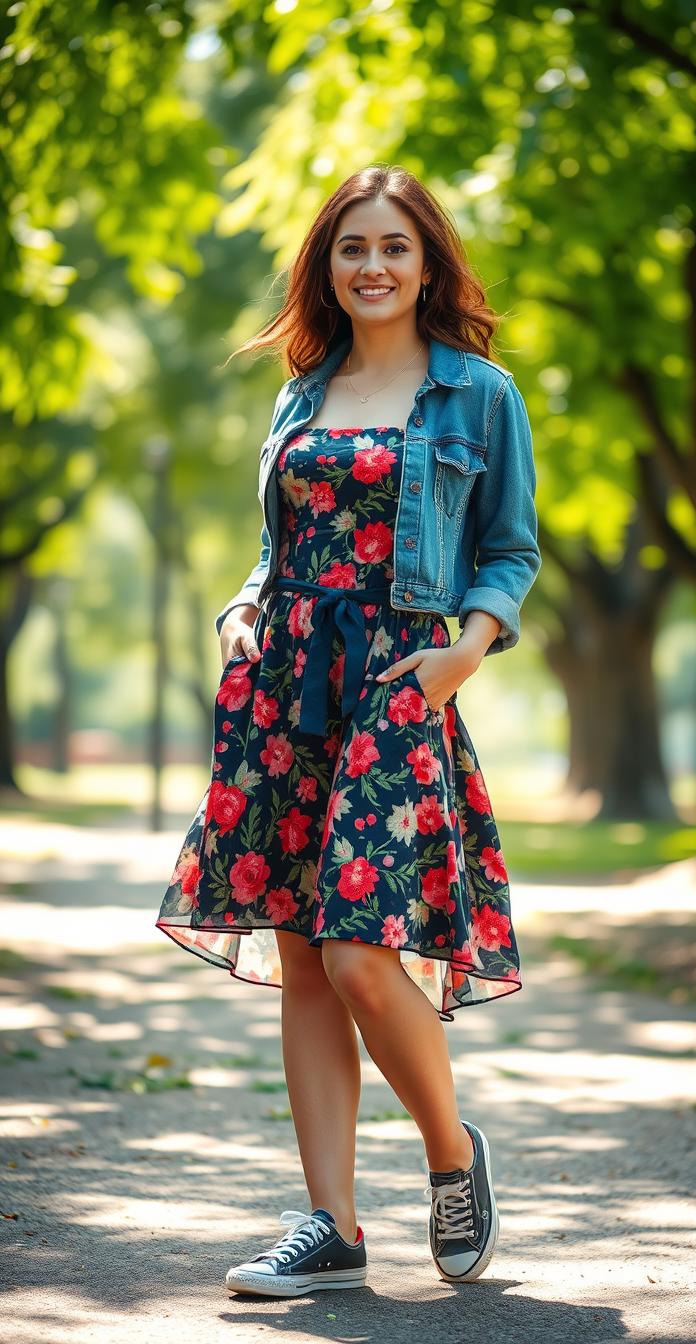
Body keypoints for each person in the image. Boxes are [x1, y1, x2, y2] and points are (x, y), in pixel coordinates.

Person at [155, 163, 541, 1297]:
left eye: (392, 248)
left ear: (427, 265)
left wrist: (467, 651)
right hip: (282, 690)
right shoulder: (302, 390)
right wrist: (242, 609)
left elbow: (511, 549)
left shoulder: (479, 395)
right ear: (326, 268)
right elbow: (281, 552)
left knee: (360, 951)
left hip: (399, 684)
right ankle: (333, 1224)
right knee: (301, 951)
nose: (371, 266)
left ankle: (452, 1152)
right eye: (350, 249)